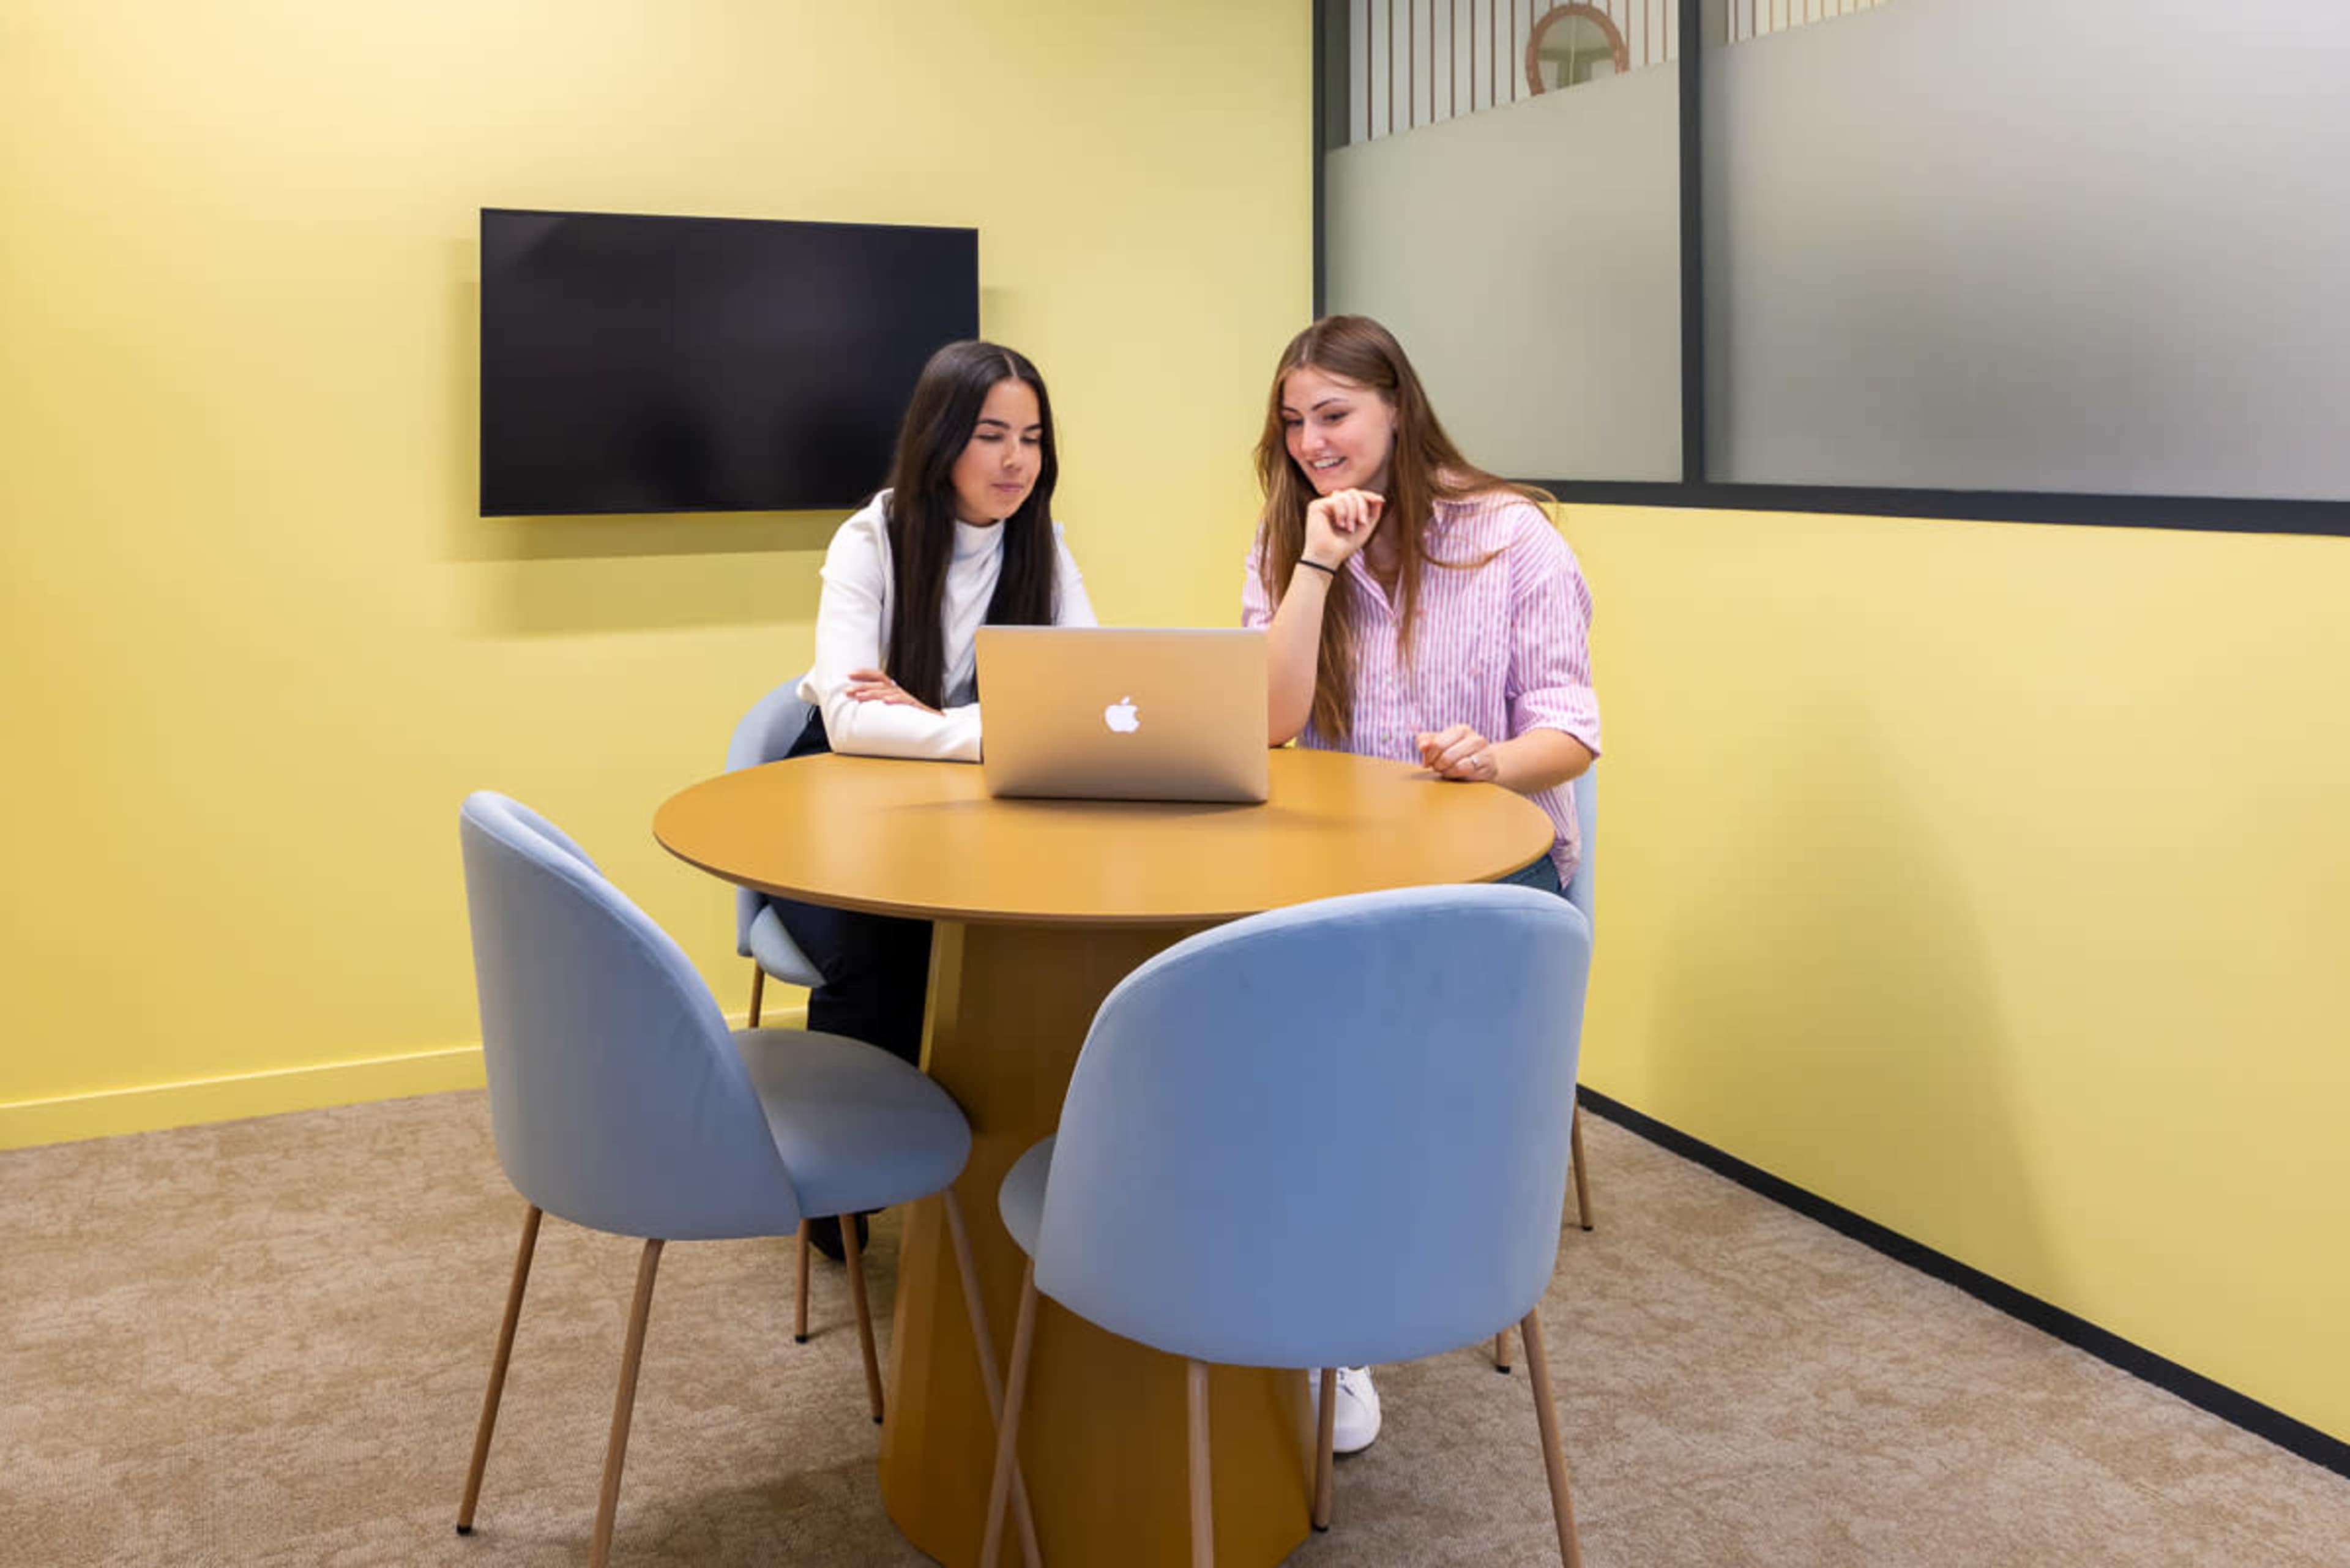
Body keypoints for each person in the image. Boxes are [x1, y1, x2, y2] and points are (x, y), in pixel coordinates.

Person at [1240, 315, 1600, 1452]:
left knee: (1329, 1055)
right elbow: (1268, 722)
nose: (1312, 441)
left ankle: (1339, 1319)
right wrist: (1314, 562)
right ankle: (1292, 1299)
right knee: (1234, 1030)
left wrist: (1488, 761)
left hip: (1492, 877)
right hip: (1336, 868)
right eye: (1294, 422)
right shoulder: (1288, 538)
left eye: (1334, 415)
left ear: (1397, 405)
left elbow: (1572, 732)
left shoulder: (1511, 538)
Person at [774, 339, 1096, 1256]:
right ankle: (839, 1187)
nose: (1015, 460)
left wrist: (935, 719)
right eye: (991, 434)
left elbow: (1088, 694)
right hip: (839, 798)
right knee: (881, 945)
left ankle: (1011, 1169)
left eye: (1031, 437)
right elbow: (849, 721)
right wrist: (989, 728)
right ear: (941, 438)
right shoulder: (870, 537)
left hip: (969, 802)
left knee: (1039, 939)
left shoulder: (1045, 546)